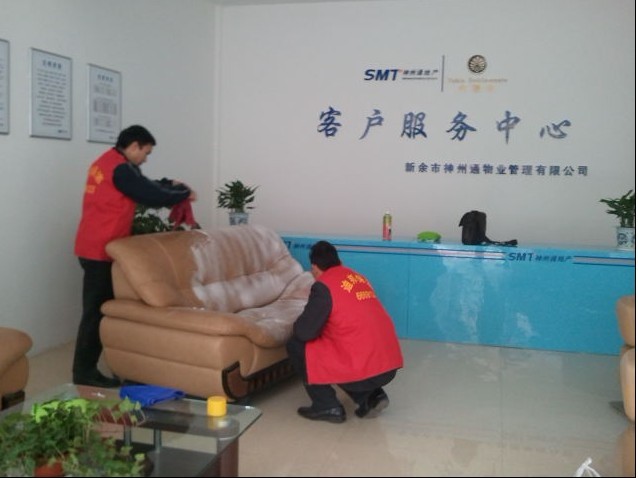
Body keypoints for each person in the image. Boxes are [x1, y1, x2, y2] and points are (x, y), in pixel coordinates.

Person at [72, 125, 197, 388]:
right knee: (96, 313)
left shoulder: (110, 162)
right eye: (145, 153)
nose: (145, 159)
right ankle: (84, 373)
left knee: (101, 310)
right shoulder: (120, 169)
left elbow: (143, 184)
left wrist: (169, 185)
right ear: (134, 146)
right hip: (100, 250)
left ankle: (99, 366)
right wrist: (183, 194)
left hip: (95, 246)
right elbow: (148, 195)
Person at [286, 240, 404, 423]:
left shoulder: (323, 285)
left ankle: (326, 406)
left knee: (297, 344)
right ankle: (371, 397)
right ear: (338, 261)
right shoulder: (357, 277)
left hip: (364, 366)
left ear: (314, 267)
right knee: (340, 344)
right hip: (387, 364)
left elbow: (304, 332)